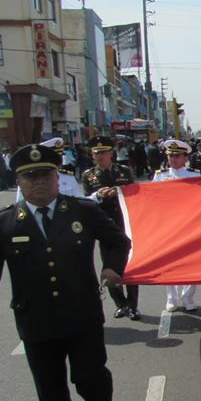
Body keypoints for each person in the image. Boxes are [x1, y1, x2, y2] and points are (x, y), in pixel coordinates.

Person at [0, 143, 131, 401]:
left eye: (45, 175)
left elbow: (118, 240)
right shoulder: (3, 223)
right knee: (51, 390)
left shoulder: (82, 211)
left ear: (58, 177)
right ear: (18, 182)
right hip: (36, 322)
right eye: (30, 178)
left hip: (83, 315)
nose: (38, 183)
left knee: (91, 380)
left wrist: (112, 267)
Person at [81, 136, 140, 320]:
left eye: (104, 152)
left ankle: (133, 305)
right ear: (92, 155)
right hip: (104, 225)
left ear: (111, 153)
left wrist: (119, 192)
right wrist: (97, 195)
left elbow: (135, 193)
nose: (100, 156)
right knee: (110, 265)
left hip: (124, 222)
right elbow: (86, 202)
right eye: (96, 153)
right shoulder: (89, 175)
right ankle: (120, 304)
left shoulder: (123, 171)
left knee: (130, 265)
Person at [152, 139, 201, 311]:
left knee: (190, 262)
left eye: (177, 156)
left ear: (185, 157)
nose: (173, 159)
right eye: (170, 156)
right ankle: (171, 298)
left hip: (189, 224)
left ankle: (188, 298)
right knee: (169, 262)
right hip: (168, 224)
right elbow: (153, 199)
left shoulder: (194, 175)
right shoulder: (160, 175)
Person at [17, 138, 83, 200]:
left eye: (60, 157)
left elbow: (79, 200)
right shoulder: (27, 179)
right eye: (54, 159)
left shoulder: (69, 178)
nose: (59, 162)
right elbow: (20, 204)